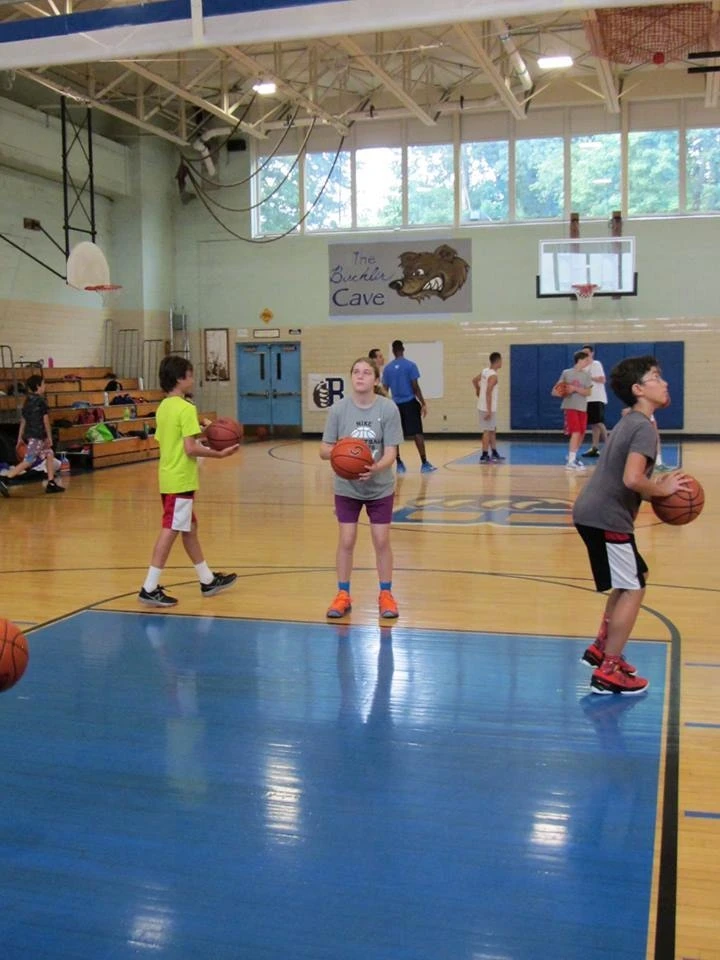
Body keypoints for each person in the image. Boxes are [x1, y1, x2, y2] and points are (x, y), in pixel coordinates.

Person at [573, 356, 689, 695]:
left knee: (633, 579)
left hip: (594, 513)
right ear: (639, 389)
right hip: (606, 517)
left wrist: (657, 491)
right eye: (656, 377)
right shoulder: (640, 426)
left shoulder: (635, 420)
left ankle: (602, 648)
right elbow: (633, 478)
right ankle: (609, 669)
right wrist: (663, 489)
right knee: (634, 587)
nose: (664, 382)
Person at [138, 355, 239, 607]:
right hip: (181, 480)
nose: (193, 379)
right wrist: (218, 453)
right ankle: (149, 587)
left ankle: (207, 579)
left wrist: (205, 431)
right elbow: (190, 448)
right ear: (181, 378)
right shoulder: (186, 408)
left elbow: (172, 440)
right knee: (170, 530)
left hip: (168, 476)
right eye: (191, 375)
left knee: (190, 529)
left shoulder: (164, 407)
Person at [320, 356, 403, 620]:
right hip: (347, 487)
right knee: (346, 539)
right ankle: (343, 594)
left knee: (381, 540)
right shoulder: (338, 410)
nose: (360, 376)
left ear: (376, 380)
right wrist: (343, 453)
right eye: (356, 371)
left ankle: (386, 594)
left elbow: (391, 452)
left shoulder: (388, 409)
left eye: (367, 372)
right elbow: (323, 449)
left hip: (380, 486)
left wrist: (374, 468)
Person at [0, 374, 64, 494]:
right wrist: (49, 437)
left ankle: (51, 483)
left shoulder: (27, 401)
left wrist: (20, 437)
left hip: (32, 435)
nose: (45, 386)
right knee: (29, 460)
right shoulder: (41, 401)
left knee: (49, 453)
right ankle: (6, 478)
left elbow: (23, 420)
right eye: (43, 384)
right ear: (38, 386)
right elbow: (45, 421)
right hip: (38, 436)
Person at [382, 340, 436, 473]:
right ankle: (424, 463)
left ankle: (399, 463)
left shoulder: (388, 369)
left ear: (394, 351)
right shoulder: (410, 365)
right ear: (403, 349)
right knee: (417, 433)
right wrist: (423, 403)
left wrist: (384, 405)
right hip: (410, 403)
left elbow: (384, 389)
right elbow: (415, 387)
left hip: (395, 404)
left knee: (395, 435)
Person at [552, 350, 592, 471]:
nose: (588, 362)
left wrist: (575, 388)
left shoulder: (587, 375)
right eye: (586, 360)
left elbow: (588, 392)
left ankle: (572, 456)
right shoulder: (566, 373)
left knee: (581, 433)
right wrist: (562, 391)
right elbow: (555, 391)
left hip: (582, 407)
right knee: (575, 432)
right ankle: (570, 462)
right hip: (570, 406)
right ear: (580, 360)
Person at [472, 352, 504, 463]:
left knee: (492, 429)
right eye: (501, 360)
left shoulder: (485, 371)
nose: (502, 362)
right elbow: (488, 393)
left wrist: (477, 390)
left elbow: (474, 380)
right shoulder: (493, 376)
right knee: (487, 430)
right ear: (498, 361)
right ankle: (484, 455)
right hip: (487, 407)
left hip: (483, 406)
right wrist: (489, 411)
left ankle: (494, 452)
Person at [581, 344, 608, 458]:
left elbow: (602, 379)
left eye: (587, 353)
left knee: (599, 422)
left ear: (592, 353)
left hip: (597, 397)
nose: (586, 355)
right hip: (588, 398)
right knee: (593, 424)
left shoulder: (596, 364)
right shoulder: (583, 367)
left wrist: (589, 378)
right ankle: (595, 448)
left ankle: (609, 447)